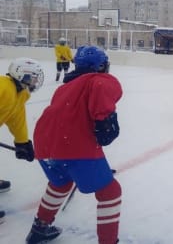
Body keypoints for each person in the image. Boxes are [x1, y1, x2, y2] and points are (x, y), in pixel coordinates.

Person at [26, 46, 123, 244]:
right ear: (101, 66)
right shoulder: (98, 80)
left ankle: (39, 229)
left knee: (60, 184)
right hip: (73, 146)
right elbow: (104, 92)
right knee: (110, 192)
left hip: (45, 144)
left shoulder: (64, 88)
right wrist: (105, 120)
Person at [0, 58, 44, 223]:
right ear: (21, 75)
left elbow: (16, 118)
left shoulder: (20, 93)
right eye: (33, 77)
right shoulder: (3, 87)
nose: (35, 81)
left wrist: (22, 141)